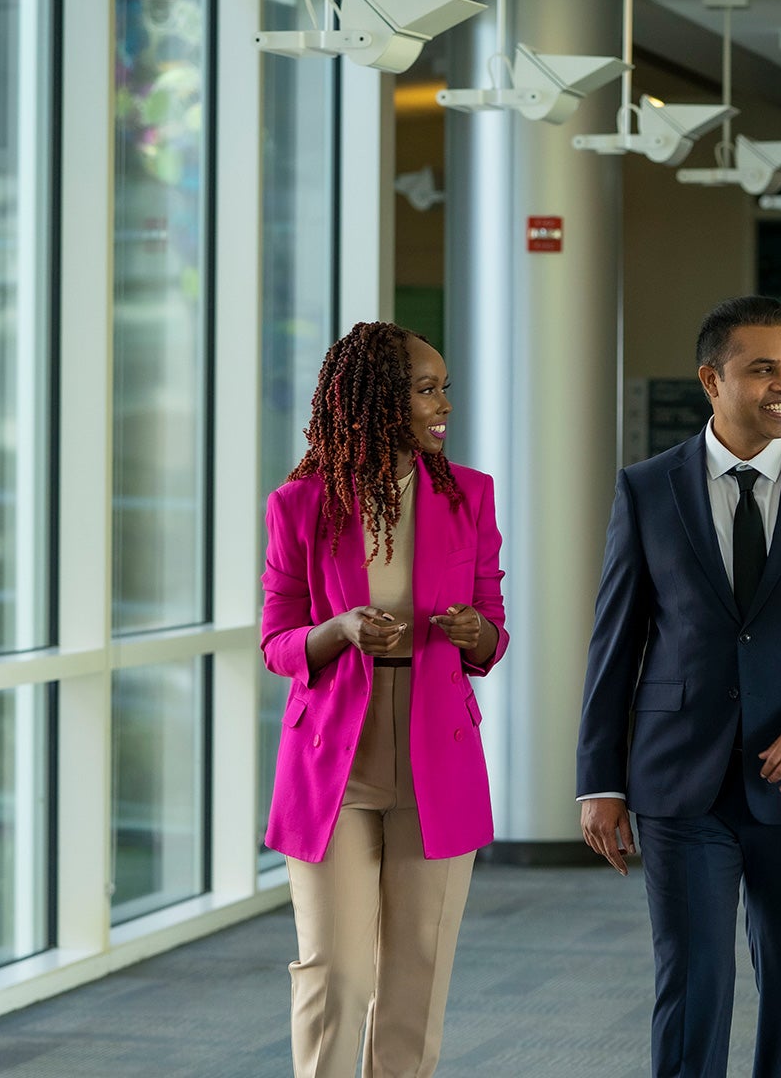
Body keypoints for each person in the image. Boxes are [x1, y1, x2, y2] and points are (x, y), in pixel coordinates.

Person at [578, 296, 781, 1077]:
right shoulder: (646, 488)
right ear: (711, 379)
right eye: (762, 369)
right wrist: (599, 779)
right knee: (693, 982)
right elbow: (615, 642)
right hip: (676, 777)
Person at [260, 321, 509, 1078]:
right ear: (374, 402)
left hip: (438, 750)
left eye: (445, 389)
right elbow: (277, 640)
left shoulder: (470, 495)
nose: (445, 407)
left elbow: (492, 630)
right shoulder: (301, 503)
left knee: (416, 975)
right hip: (335, 759)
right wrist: (335, 631)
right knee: (337, 973)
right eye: (427, 390)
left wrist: (473, 632)